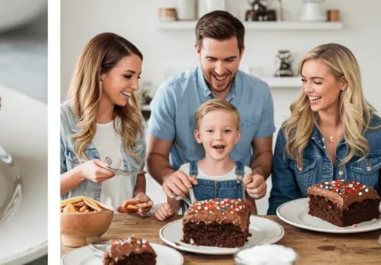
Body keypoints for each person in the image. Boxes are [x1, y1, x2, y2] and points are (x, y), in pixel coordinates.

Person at [146, 11, 273, 205]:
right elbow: (155, 156)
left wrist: (258, 176)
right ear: (197, 51)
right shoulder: (171, 92)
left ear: (242, 52)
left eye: (229, 59)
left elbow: (263, 153)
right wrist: (167, 176)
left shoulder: (260, 92)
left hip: (241, 203)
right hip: (186, 203)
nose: (220, 70)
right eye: (211, 59)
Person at [268, 43, 381, 213]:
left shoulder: (376, 131)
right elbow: (281, 201)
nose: (307, 89)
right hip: (306, 237)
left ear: (343, 82)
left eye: (317, 82)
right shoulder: (291, 132)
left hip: (364, 237)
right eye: (304, 80)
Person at [61, 32, 153, 214]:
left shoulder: (134, 121)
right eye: (128, 76)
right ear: (101, 73)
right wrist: (81, 172)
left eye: (138, 77)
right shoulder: (63, 119)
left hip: (126, 228)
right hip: (84, 231)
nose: (136, 86)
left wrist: (140, 195)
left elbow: (138, 174)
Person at [155, 99, 259, 220]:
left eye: (227, 131)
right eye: (210, 131)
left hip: (234, 237)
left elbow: (253, 216)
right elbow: (173, 207)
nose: (219, 137)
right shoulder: (185, 172)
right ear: (198, 136)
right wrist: (166, 210)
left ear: (237, 136)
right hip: (194, 237)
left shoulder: (246, 174)